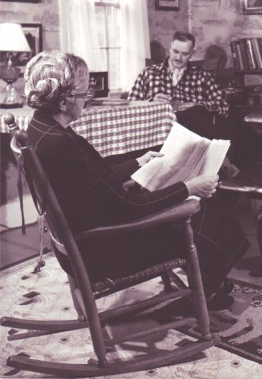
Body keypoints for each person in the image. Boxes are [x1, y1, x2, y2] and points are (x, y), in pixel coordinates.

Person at [24, 50, 249, 308]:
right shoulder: (62, 145)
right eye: (85, 94)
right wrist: (188, 187)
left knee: (195, 205)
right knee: (202, 208)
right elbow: (130, 208)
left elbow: (93, 177)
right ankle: (207, 290)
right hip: (103, 252)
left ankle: (213, 282)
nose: (87, 100)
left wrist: (139, 163)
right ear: (63, 102)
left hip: (79, 242)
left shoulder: (40, 130)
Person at [128, 31, 239, 177]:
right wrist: (151, 102)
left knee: (196, 113)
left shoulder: (201, 76)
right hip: (158, 129)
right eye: (175, 51)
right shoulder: (149, 73)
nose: (178, 57)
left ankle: (217, 165)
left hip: (191, 130)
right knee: (196, 115)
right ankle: (222, 163)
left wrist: (197, 104)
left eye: (184, 54)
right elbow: (130, 105)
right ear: (170, 48)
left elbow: (223, 106)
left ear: (192, 54)